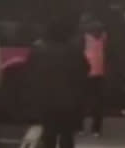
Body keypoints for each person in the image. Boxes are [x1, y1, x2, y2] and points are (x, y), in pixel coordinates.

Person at [29, 17, 88, 148]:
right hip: (68, 101)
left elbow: (30, 74)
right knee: (67, 135)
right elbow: (85, 69)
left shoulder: (38, 50)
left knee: (49, 135)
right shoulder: (73, 50)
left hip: (46, 101)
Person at [77, 13, 106, 136]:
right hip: (99, 71)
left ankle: (80, 127)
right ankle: (96, 129)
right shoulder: (103, 36)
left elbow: (79, 53)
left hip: (85, 71)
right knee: (97, 101)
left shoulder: (84, 37)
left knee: (81, 100)